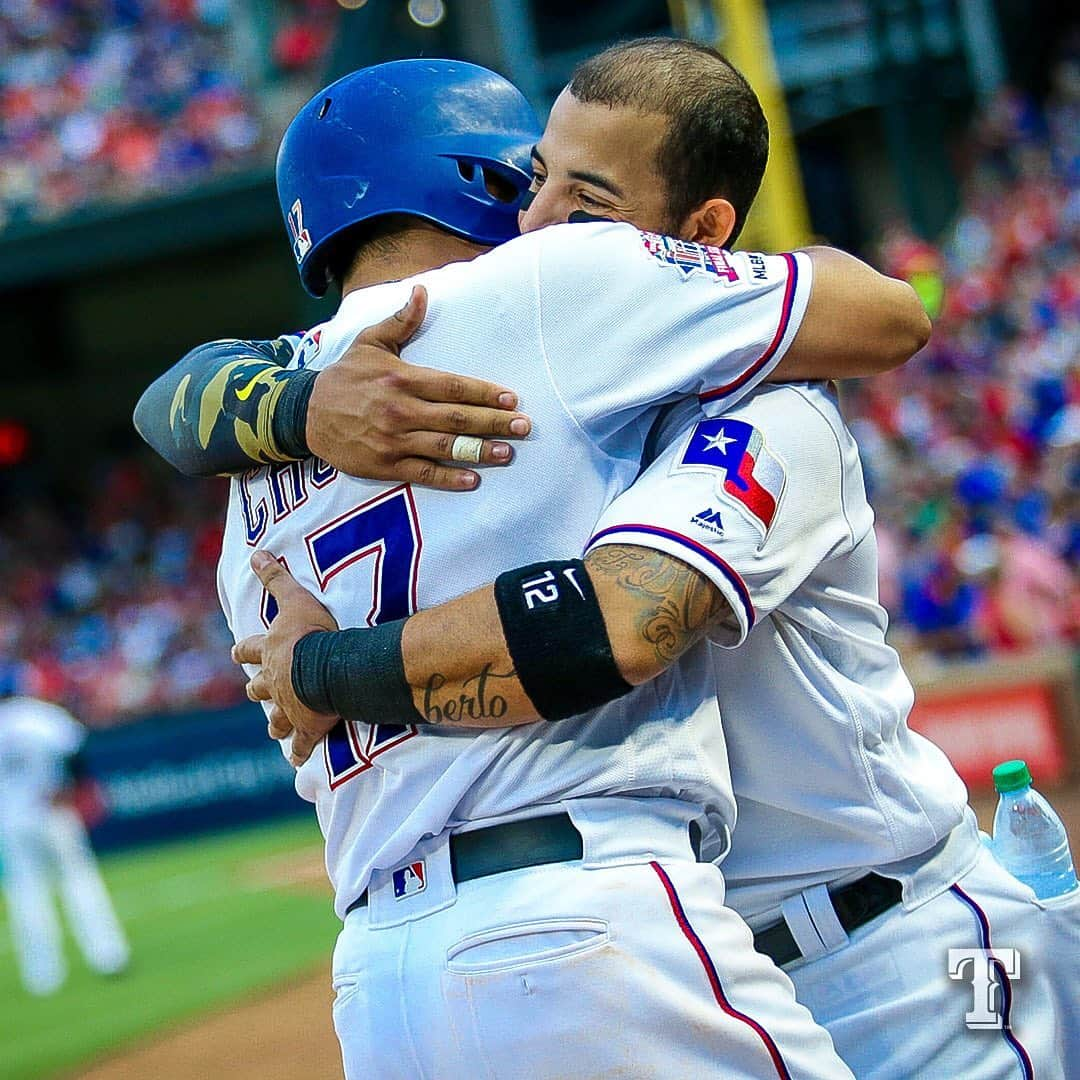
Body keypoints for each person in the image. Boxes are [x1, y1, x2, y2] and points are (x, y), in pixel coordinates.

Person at [189, 39, 1071, 1078]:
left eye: (582, 195)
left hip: (917, 945)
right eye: (535, 177)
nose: (541, 218)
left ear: (701, 243)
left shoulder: (766, 400)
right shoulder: (511, 366)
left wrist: (327, 670)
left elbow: (617, 622)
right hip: (681, 948)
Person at [0, 691, 130, 995]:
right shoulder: (36, 714)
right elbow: (74, 746)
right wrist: (69, 786)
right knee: (79, 882)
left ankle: (43, 976)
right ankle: (108, 955)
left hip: (11, 821)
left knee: (26, 895)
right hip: (50, 811)